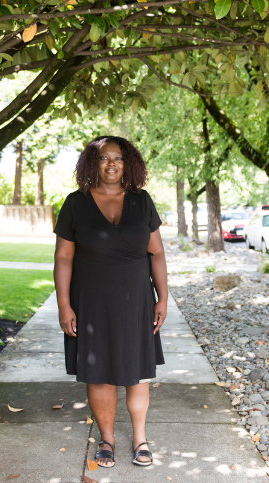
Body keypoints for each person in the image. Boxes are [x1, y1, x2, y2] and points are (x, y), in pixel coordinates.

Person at [53, 136, 168, 469]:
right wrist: (64, 305)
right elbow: (63, 257)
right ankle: (107, 439)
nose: (112, 164)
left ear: (127, 163)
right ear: (93, 163)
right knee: (99, 372)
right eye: (104, 158)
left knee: (137, 372)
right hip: (90, 302)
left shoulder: (142, 201)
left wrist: (162, 298)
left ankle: (140, 438)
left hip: (137, 302)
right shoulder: (75, 203)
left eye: (118, 158)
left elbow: (157, 253)